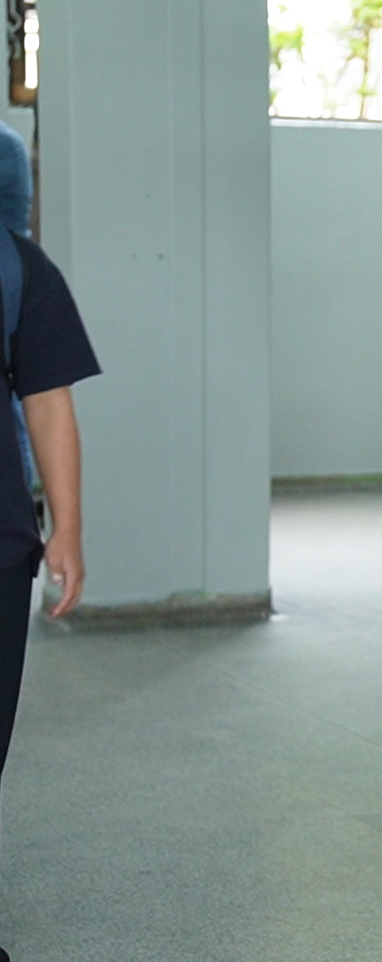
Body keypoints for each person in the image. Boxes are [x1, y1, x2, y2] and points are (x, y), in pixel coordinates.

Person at [0, 114, 99, 798]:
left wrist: (67, 527)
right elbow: (47, 400)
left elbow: (46, 399)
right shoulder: (18, 264)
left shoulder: (18, 269)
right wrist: (66, 528)